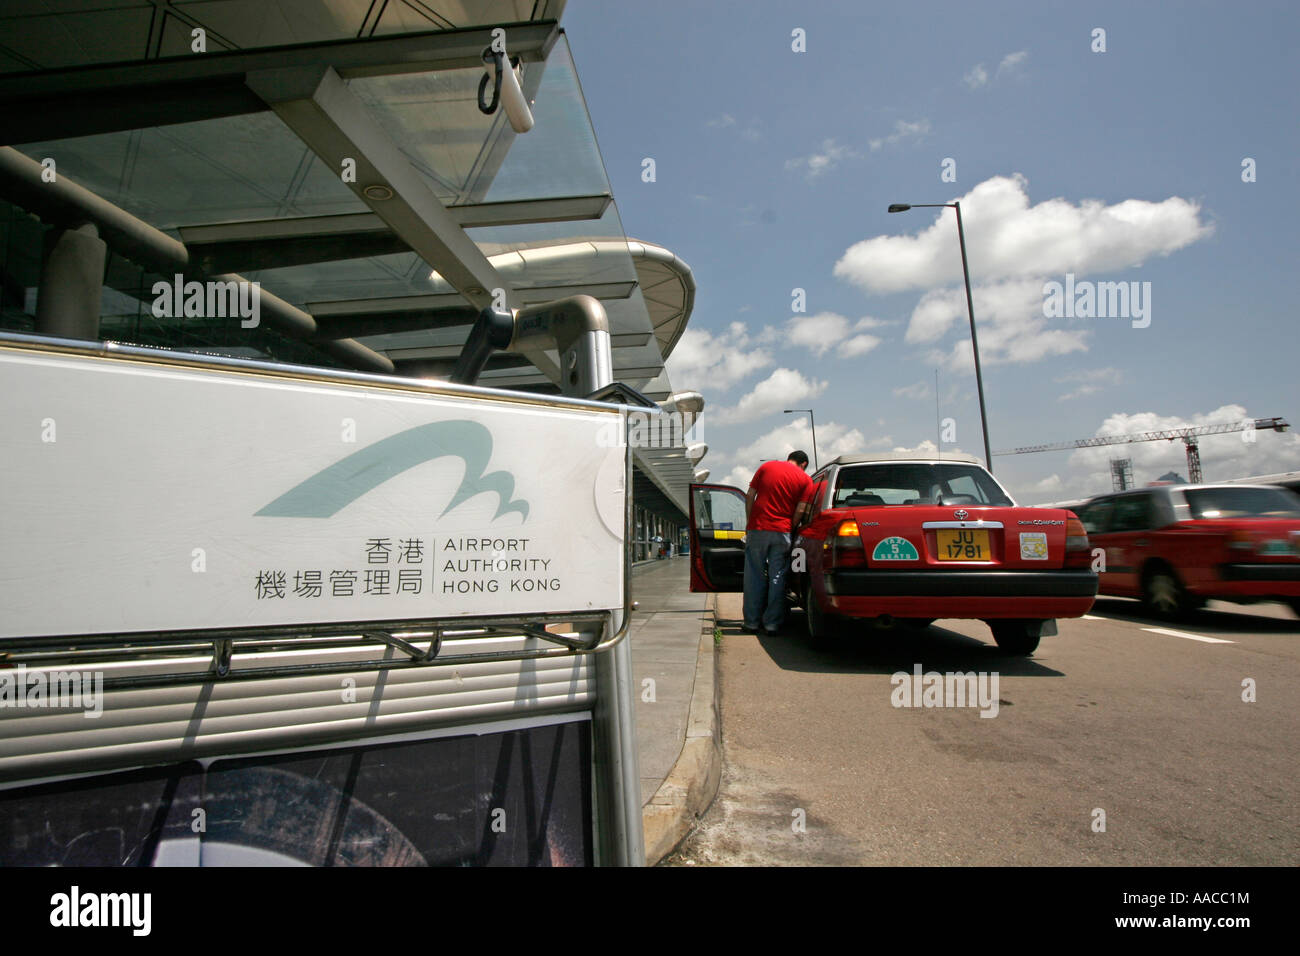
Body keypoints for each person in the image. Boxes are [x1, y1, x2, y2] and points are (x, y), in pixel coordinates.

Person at [743, 450, 812, 634]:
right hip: (783, 530)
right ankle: (772, 624)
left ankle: (751, 623)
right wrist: (791, 527)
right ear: (804, 464)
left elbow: (750, 495)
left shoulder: (766, 466)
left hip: (758, 528)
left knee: (754, 575)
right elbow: (800, 510)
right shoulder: (806, 480)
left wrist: (750, 522)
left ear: (789, 458)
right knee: (777, 577)